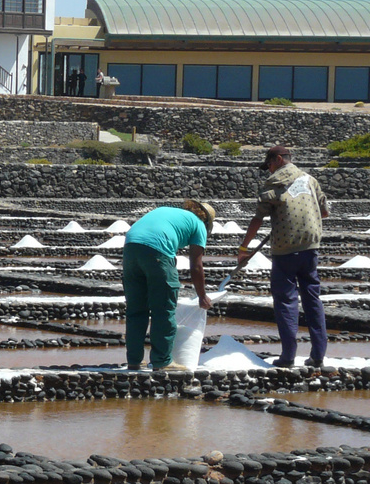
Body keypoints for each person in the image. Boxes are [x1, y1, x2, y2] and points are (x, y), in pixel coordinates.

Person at [236, 145, 330, 367]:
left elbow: (258, 219)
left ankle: (288, 357)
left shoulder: (273, 185)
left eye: (269, 164)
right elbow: (324, 212)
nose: (268, 170)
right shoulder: (310, 180)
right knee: (312, 299)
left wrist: (244, 249)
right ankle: (318, 356)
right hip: (310, 248)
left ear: (278, 159)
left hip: (285, 251)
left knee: (286, 301)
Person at [122, 200, 217, 371]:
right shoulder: (199, 225)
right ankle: (162, 361)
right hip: (157, 250)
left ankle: (134, 361)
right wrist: (202, 296)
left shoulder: (169, 212)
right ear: (207, 222)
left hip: (130, 248)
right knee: (163, 308)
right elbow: (196, 264)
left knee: (136, 310)